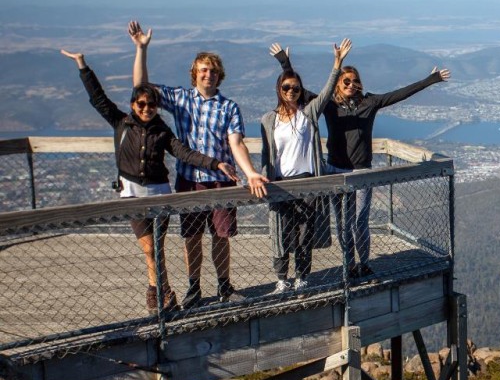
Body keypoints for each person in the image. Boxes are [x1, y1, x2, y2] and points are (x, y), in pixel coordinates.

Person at [60, 49, 238, 314]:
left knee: (158, 246)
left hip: (160, 193)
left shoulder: (161, 130)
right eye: (141, 104)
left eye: (151, 105)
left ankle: (161, 296)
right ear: (133, 104)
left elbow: (183, 152)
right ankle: (160, 292)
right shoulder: (121, 123)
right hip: (132, 194)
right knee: (150, 248)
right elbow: (98, 98)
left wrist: (215, 164)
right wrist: (83, 66)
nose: (146, 108)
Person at [129, 21, 268, 308]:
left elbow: (236, 143)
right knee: (191, 237)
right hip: (189, 178)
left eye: (213, 71)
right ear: (195, 74)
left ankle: (224, 285)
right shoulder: (180, 99)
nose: (209, 74)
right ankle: (194, 286)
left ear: (220, 77)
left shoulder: (229, 107)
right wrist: (141, 49)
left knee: (221, 237)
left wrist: (250, 172)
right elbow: (141, 88)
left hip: (222, 180)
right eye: (204, 70)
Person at [278, 48, 450, 278]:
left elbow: (400, 94)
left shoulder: (370, 102)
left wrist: (432, 79)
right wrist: (285, 63)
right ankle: (349, 265)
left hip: (362, 172)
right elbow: (298, 91)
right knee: (342, 224)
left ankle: (364, 262)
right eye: (345, 81)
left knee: (359, 222)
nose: (350, 84)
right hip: (336, 171)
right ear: (338, 85)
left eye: (354, 81)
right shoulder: (329, 105)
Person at [262, 38, 351, 293]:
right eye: (287, 87)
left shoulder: (307, 114)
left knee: (304, 232)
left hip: (308, 181)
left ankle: (301, 276)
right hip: (280, 183)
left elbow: (325, 93)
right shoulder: (269, 120)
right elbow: (268, 155)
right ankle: (282, 278)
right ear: (280, 89)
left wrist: (337, 63)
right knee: (281, 232)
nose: (292, 91)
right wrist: (264, 178)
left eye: (296, 89)